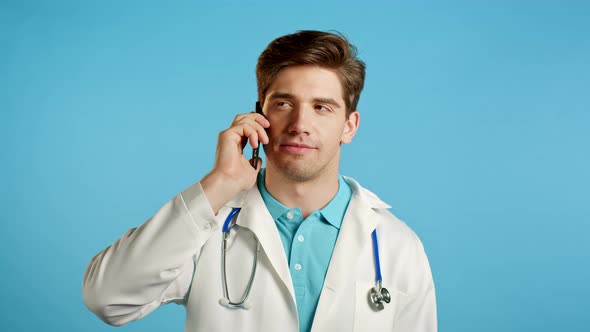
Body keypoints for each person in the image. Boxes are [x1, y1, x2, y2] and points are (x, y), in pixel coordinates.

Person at [83, 30, 437, 332]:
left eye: (321, 107)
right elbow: (108, 299)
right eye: (284, 103)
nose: (300, 123)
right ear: (259, 115)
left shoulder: (396, 246)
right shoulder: (209, 225)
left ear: (349, 125)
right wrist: (220, 183)